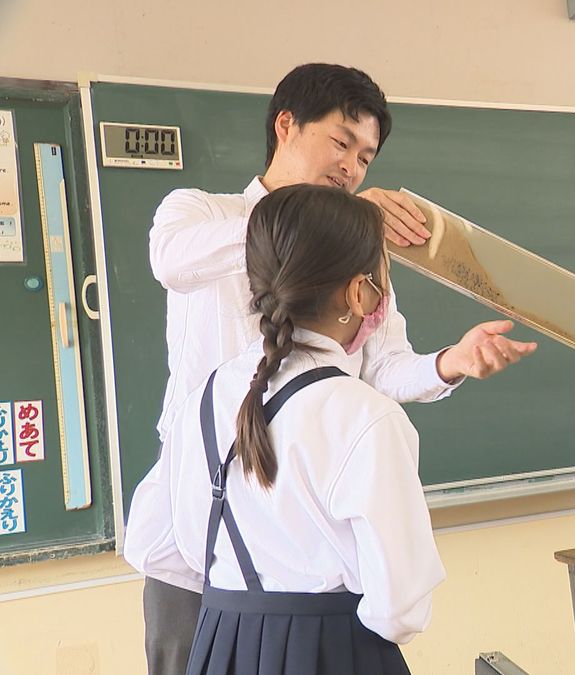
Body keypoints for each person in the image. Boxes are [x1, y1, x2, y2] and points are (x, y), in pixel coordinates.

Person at [132, 63, 536, 673]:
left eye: (366, 158)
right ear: (286, 125)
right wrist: (310, 225)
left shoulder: (357, 262)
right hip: (203, 552)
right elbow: (172, 262)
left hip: (310, 553)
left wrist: (450, 363)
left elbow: (386, 367)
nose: (351, 168)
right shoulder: (198, 211)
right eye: (342, 143)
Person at [127, 184, 445, 674]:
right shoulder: (365, 416)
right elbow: (400, 607)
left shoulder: (203, 399)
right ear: (359, 294)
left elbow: (193, 545)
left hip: (220, 644)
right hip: (334, 650)